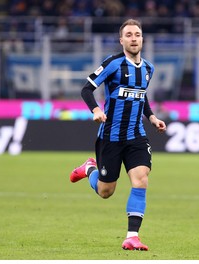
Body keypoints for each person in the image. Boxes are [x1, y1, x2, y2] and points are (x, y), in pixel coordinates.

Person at [69, 18, 166, 251]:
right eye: (129, 35)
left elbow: (141, 96)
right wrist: (95, 110)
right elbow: (86, 89)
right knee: (105, 191)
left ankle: (132, 236)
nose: (134, 38)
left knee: (141, 179)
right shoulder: (113, 64)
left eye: (138, 34)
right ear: (121, 40)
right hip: (110, 136)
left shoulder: (149, 68)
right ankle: (89, 168)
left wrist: (152, 117)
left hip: (136, 136)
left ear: (142, 38)